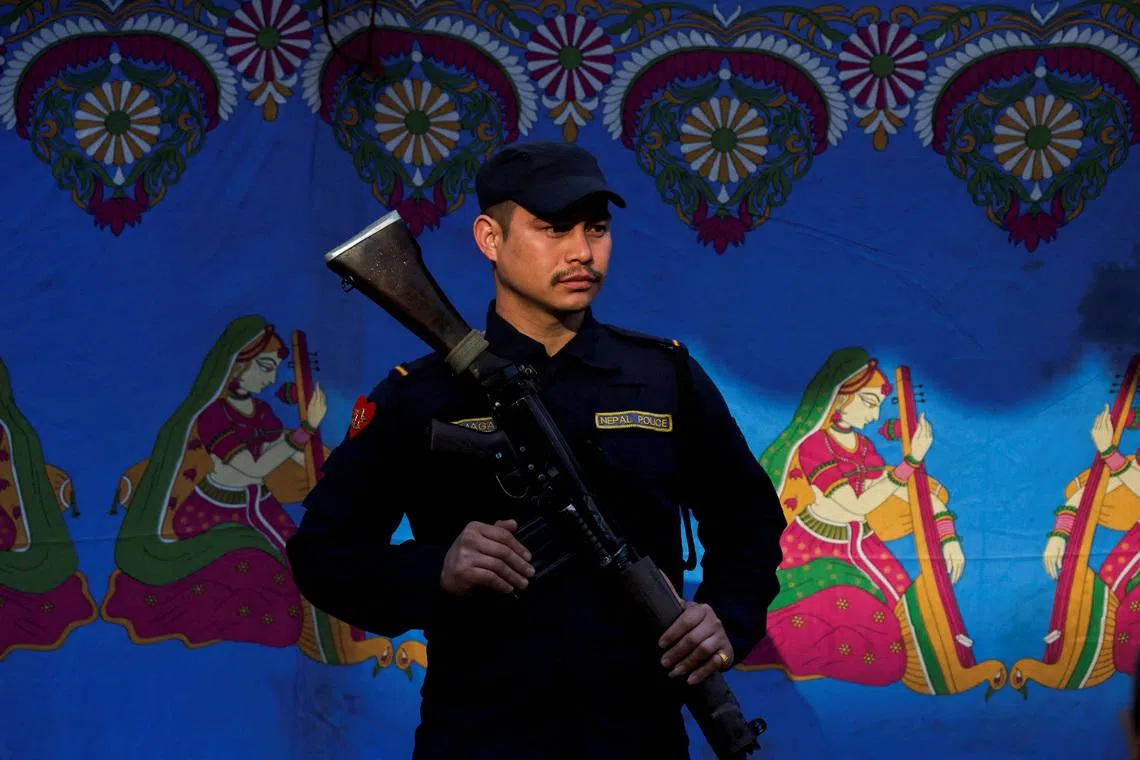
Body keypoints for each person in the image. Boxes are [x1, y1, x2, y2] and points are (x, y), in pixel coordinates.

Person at [286, 141, 785, 759]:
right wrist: (435, 569)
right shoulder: (420, 396)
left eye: (596, 228)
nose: (582, 252)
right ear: (489, 238)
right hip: (481, 736)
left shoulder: (664, 378)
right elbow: (323, 555)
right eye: (553, 228)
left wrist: (723, 617)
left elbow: (749, 522)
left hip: (635, 736)